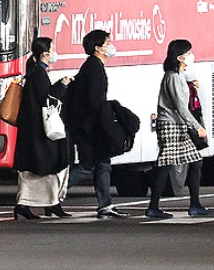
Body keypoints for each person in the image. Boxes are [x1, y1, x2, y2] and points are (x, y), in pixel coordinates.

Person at [146, 40, 213, 218]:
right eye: (189, 53)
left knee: (195, 161)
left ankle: (195, 205)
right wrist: (197, 127)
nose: (192, 56)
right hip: (170, 124)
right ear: (180, 57)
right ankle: (153, 207)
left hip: (178, 124)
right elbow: (180, 107)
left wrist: (191, 87)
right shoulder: (173, 77)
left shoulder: (178, 76)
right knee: (166, 164)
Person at [68, 29, 128, 219]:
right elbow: (94, 101)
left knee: (103, 163)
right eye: (107, 43)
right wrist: (107, 111)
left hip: (89, 125)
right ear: (97, 48)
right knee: (89, 164)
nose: (111, 46)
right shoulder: (94, 68)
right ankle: (52, 191)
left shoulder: (91, 66)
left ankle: (106, 205)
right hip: (89, 126)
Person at [12, 36, 73, 220]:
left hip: (32, 131)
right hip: (40, 132)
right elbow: (47, 99)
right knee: (50, 166)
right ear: (45, 54)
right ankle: (52, 204)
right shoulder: (39, 74)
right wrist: (63, 85)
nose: (55, 53)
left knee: (32, 170)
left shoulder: (35, 73)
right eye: (53, 49)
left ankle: (29, 205)